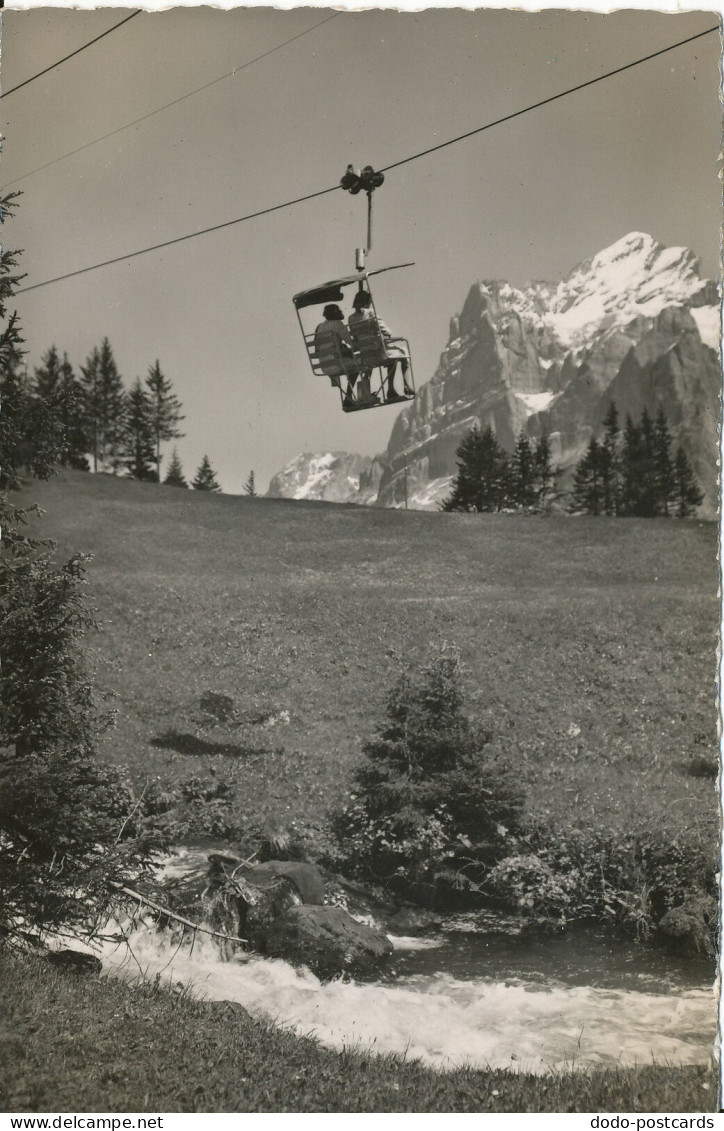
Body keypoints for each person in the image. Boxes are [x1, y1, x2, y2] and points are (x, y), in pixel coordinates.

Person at [348, 291, 413, 403]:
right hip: (376, 353)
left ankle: (388, 390)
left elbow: (355, 337)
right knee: (403, 351)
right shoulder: (371, 313)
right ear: (367, 302)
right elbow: (387, 331)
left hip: (365, 355)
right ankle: (404, 386)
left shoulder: (351, 318)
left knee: (389, 355)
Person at [314, 304, 358, 406]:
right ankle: (349, 396)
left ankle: (349, 397)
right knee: (357, 366)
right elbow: (351, 342)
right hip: (337, 364)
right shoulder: (338, 324)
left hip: (324, 366)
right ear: (335, 313)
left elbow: (317, 349)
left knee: (349, 359)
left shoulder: (319, 327)